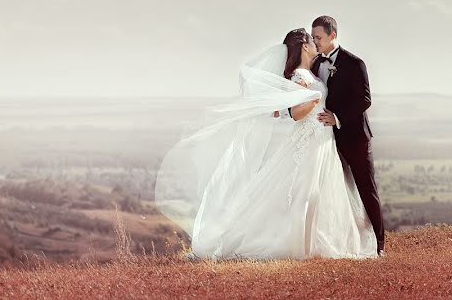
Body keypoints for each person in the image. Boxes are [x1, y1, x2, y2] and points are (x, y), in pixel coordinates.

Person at [154, 27, 377, 260]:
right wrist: (314, 100)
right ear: (303, 46)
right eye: (312, 41)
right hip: (307, 142)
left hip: (320, 140)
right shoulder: (300, 77)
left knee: (315, 193)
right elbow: (295, 113)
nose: (315, 44)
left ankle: (314, 243)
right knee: (301, 192)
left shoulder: (308, 73)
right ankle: (293, 243)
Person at [311, 15, 385, 255]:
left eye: (319, 37)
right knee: (335, 191)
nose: (315, 42)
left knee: (366, 188)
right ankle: (344, 239)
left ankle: (380, 244)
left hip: (355, 138)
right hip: (326, 141)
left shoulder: (355, 63)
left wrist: (338, 117)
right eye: (313, 38)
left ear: (333, 35)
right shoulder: (314, 64)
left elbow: (365, 100)